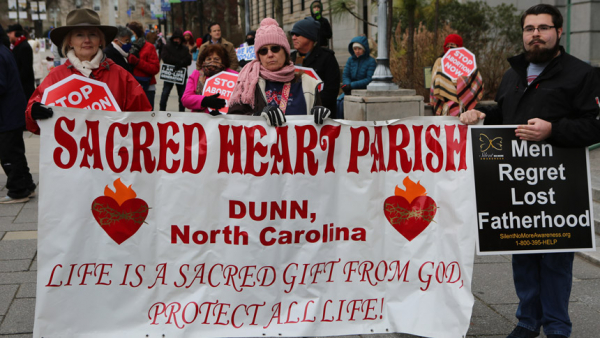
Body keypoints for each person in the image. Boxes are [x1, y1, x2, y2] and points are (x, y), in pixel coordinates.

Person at [459, 5, 600, 338]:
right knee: (522, 257)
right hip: (516, 187)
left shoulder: (582, 74)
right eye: (529, 28)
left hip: (559, 189)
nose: (535, 33)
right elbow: (505, 117)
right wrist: (480, 114)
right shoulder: (513, 75)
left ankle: (556, 328)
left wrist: (553, 130)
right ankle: (526, 322)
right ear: (523, 34)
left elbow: (594, 127)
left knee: (554, 261)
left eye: (543, 27)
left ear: (559, 32)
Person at [25, 8, 152, 135]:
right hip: (71, 153)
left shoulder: (121, 76)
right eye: (79, 35)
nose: (87, 40)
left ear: (101, 40)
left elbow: (144, 119)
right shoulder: (56, 76)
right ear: (70, 41)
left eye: (92, 34)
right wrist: (33, 113)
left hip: (111, 152)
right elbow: (34, 125)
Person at [229, 18, 331, 126]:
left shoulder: (308, 83)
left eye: (275, 48)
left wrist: (321, 116)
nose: (270, 54)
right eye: (263, 51)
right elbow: (233, 121)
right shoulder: (248, 83)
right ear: (258, 56)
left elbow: (321, 130)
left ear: (285, 51)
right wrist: (258, 117)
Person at [0, 29, 36, 203]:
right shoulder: (4, 49)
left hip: (6, 113)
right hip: (12, 111)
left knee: (9, 154)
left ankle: (18, 190)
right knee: (16, 152)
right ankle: (27, 186)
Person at [290, 17, 340, 118]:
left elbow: (331, 91)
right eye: (292, 34)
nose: (293, 37)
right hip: (294, 116)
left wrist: (313, 106)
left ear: (309, 36)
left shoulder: (327, 58)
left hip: (321, 118)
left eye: (297, 34)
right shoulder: (291, 58)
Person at [430, 34, 484, 116]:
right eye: (447, 45)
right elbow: (434, 81)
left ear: (458, 46)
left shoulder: (466, 60)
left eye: (452, 45)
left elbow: (475, 78)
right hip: (445, 103)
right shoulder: (439, 61)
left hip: (463, 105)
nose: (449, 47)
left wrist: (460, 82)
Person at [181, 44, 238, 113]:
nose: (212, 61)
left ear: (223, 60)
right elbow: (186, 99)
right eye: (209, 59)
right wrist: (205, 101)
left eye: (216, 59)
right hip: (200, 120)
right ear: (204, 61)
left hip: (226, 120)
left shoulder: (234, 76)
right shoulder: (197, 74)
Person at [337, 35, 376, 118]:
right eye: (355, 49)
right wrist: (346, 85)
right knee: (339, 103)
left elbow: (369, 79)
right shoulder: (350, 60)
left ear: (364, 49)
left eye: (359, 49)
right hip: (350, 90)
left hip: (363, 91)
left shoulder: (371, 61)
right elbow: (346, 75)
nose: (357, 51)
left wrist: (351, 86)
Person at [127, 21, 160, 110]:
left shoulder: (149, 47)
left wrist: (137, 62)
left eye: (131, 33)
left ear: (137, 33)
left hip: (147, 88)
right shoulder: (126, 47)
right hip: (131, 88)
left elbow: (155, 68)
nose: (129, 35)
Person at [159, 29, 192, 112]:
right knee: (165, 93)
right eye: (175, 38)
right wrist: (178, 62)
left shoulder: (184, 48)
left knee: (182, 95)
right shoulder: (167, 47)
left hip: (180, 75)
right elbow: (165, 57)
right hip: (169, 74)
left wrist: (180, 63)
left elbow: (188, 60)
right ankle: (162, 110)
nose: (177, 40)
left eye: (178, 39)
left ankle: (182, 111)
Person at [6, 24, 35, 100]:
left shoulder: (24, 47)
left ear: (16, 33)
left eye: (10, 33)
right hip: (19, 88)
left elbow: (26, 70)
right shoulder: (15, 46)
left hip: (24, 89)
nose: (8, 35)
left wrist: (15, 81)